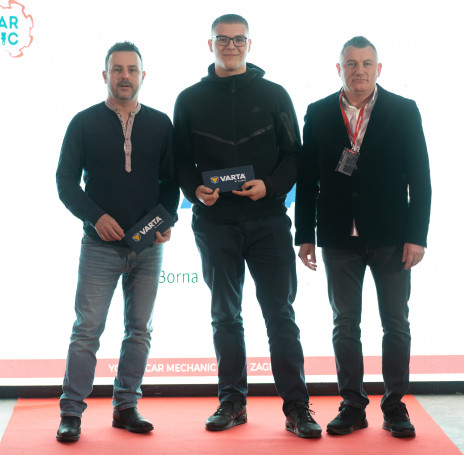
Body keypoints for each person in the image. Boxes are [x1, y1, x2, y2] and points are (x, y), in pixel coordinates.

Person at [173, 14, 321, 439]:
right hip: (214, 223)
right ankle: (232, 402)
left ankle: (297, 407)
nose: (231, 46)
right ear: (211, 44)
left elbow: (294, 155)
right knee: (225, 315)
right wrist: (194, 190)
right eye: (223, 39)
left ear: (249, 45)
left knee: (280, 315)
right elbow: (180, 160)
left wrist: (270, 186)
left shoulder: (274, 94)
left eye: (239, 40)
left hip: (268, 220)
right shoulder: (189, 99)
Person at [295, 36, 431, 438]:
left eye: (366, 63)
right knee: (344, 323)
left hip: (392, 236)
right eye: (351, 64)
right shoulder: (318, 112)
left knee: (396, 323)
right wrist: (305, 234)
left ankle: (395, 405)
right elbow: (307, 179)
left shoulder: (403, 110)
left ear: (378, 69)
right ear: (339, 69)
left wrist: (417, 236)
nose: (359, 71)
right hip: (338, 236)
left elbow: (420, 179)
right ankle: (353, 405)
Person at [55, 41, 179, 442]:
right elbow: (65, 182)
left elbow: (171, 183)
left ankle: (126, 407)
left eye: (132, 69)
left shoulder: (161, 124)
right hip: (99, 245)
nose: (125, 76)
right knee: (87, 330)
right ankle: (71, 412)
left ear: (143, 75)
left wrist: (167, 220)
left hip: (148, 246)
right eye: (117, 69)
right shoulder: (83, 122)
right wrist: (95, 216)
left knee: (139, 330)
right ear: (105, 75)